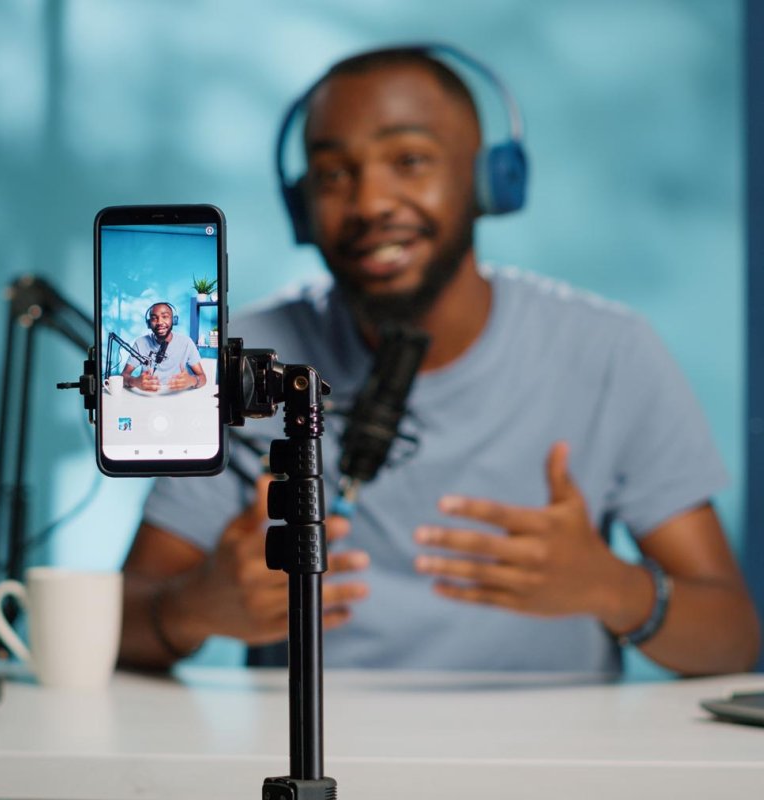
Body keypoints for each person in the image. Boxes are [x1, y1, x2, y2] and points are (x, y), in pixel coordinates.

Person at [118, 46, 760, 675]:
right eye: (335, 174)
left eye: (410, 160)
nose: (370, 202)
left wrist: (616, 591)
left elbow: (732, 639)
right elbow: (119, 623)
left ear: (489, 182)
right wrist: (192, 607)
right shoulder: (234, 361)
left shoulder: (610, 351)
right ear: (302, 207)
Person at [121, 302, 206, 393]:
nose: (160, 322)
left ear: (174, 320)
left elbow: (203, 378)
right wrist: (135, 381)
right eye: (154, 318)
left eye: (165, 317)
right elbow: (123, 376)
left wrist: (191, 381)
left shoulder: (186, 343)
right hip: (148, 396)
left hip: (176, 395)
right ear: (149, 323)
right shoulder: (140, 343)